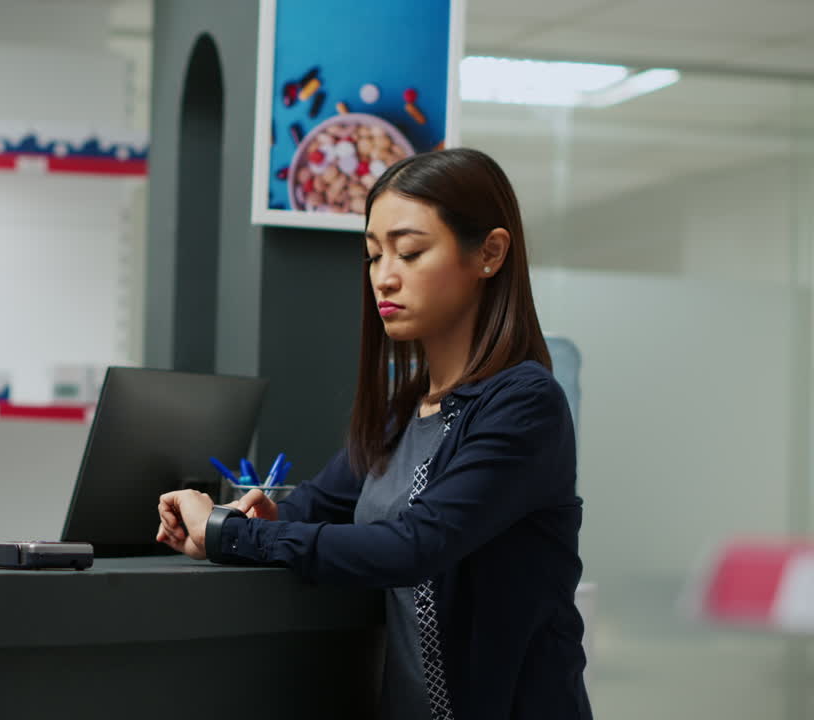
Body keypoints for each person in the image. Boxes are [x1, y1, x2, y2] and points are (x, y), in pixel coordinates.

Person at [156, 149, 591, 719]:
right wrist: (234, 517)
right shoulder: (402, 413)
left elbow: (415, 545)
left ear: (489, 253)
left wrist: (231, 535)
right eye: (373, 254)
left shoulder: (524, 403)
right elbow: (315, 505)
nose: (384, 276)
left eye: (409, 252)